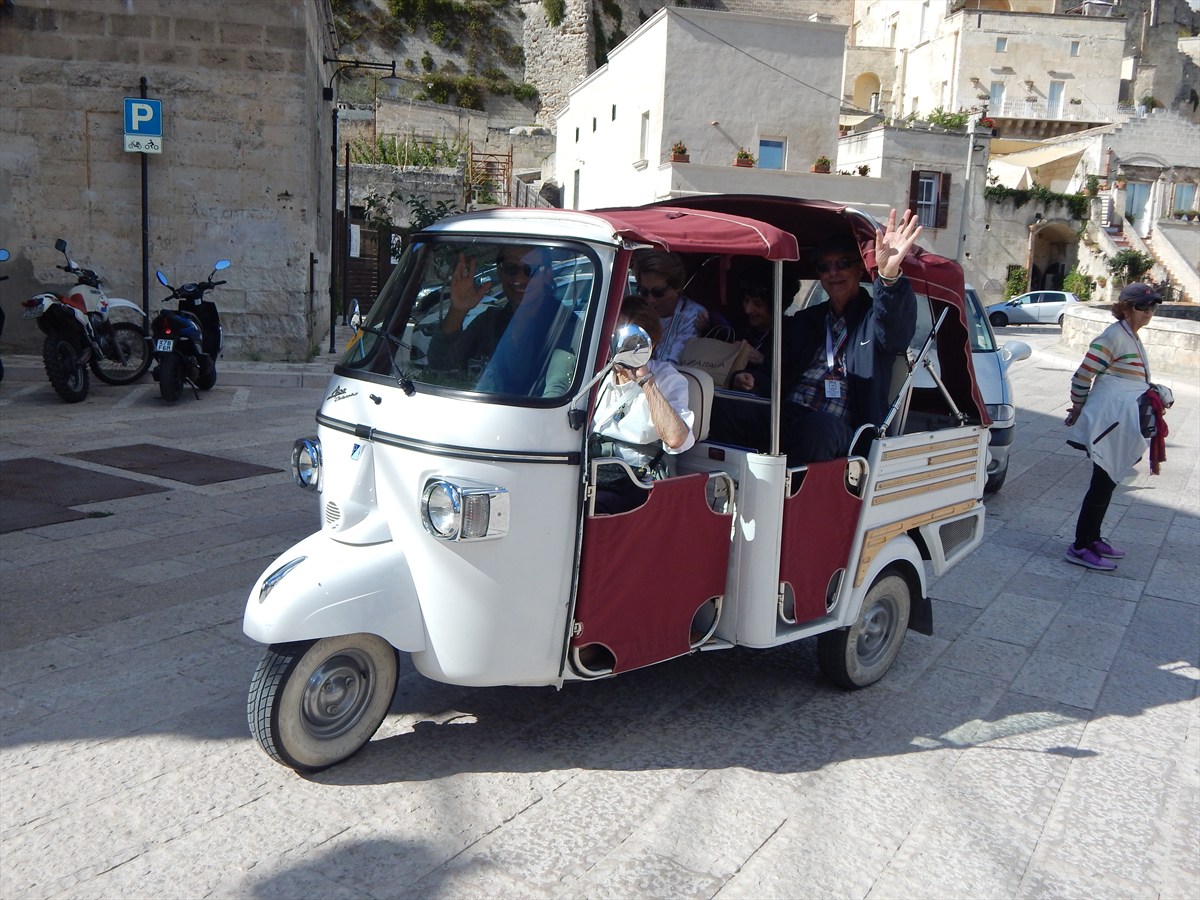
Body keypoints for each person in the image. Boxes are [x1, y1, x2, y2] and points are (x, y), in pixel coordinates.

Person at [712, 208, 922, 464]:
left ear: (859, 269)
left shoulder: (873, 319)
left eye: (843, 263)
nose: (833, 272)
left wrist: (888, 277)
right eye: (824, 267)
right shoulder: (805, 320)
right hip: (789, 413)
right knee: (723, 408)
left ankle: (791, 489)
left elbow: (896, 332)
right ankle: (726, 481)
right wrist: (749, 379)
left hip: (842, 425)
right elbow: (775, 375)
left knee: (818, 428)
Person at [1063, 282, 1170, 571]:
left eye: (1153, 306)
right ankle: (1080, 546)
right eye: (1142, 306)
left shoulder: (1130, 335)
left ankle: (1093, 538)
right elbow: (1082, 376)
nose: (1149, 311)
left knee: (1107, 483)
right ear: (1126, 307)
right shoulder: (1113, 336)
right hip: (1108, 425)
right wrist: (1079, 408)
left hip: (1117, 423)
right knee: (1102, 484)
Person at [591, 296, 696, 514]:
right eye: (615, 336)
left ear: (650, 345)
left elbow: (676, 439)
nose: (619, 347)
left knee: (592, 506)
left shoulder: (668, 378)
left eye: (630, 340)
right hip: (593, 471)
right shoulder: (597, 376)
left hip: (637, 479)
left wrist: (646, 381)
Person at [427, 244, 559, 392]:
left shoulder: (565, 325)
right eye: (510, 268)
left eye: (530, 270)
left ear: (547, 275)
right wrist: (458, 310)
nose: (519, 279)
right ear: (500, 272)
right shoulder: (489, 323)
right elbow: (440, 364)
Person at [632, 250, 708, 364]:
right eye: (644, 291)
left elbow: (673, 364)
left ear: (677, 287)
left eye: (658, 292)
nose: (651, 300)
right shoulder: (637, 312)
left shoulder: (692, 315)